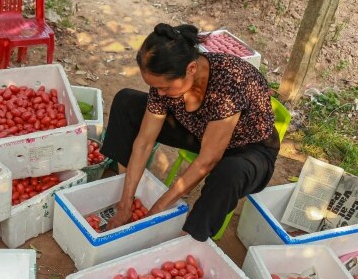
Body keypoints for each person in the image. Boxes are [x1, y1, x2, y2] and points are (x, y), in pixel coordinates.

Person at [101, 23, 280, 241]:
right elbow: (144, 142)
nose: (159, 93)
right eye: (155, 87)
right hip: (199, 131)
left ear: (191, 69)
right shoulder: (165, 80)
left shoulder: (229, 82)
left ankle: (189, 238)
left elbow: (208, 160)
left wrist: (156, 211)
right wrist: (125, 204)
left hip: (248, 150)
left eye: (165, 88)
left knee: (228, 173)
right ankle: (122, 181)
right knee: (126, 101)